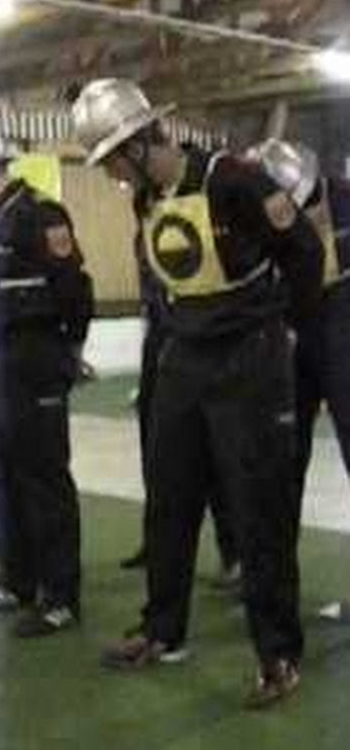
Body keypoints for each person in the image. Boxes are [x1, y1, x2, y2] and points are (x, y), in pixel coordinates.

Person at [72, 78, 323, 708]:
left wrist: (288, 328)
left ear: (142, 142)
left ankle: (278, 654)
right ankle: (163, 629)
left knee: (259, 508)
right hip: (185, 355)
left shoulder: (234, 179)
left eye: (112, 162)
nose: (112, 177)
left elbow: (303, 250)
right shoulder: (147, 197)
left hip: (249, 355)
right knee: (170, 499)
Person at [0, 123, 94, 638]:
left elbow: (75, 291)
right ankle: (17, 579)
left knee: (44, 478)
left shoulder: (40, 215)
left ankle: (61, 596)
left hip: (37, 354)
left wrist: (68, 354)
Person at [251, 139, 350, 620]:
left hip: (343, 321)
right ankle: (274, 588)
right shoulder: (258, 210)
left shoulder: (343, 197)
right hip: (290, 327)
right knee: (281, 464)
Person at [120, 233, 241, 591]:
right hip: (160, 336)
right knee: (157, 452)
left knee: (214, 451)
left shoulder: (188, 220)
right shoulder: (146, 227)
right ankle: (158, 544)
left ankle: (235, 552)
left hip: (197, 333)